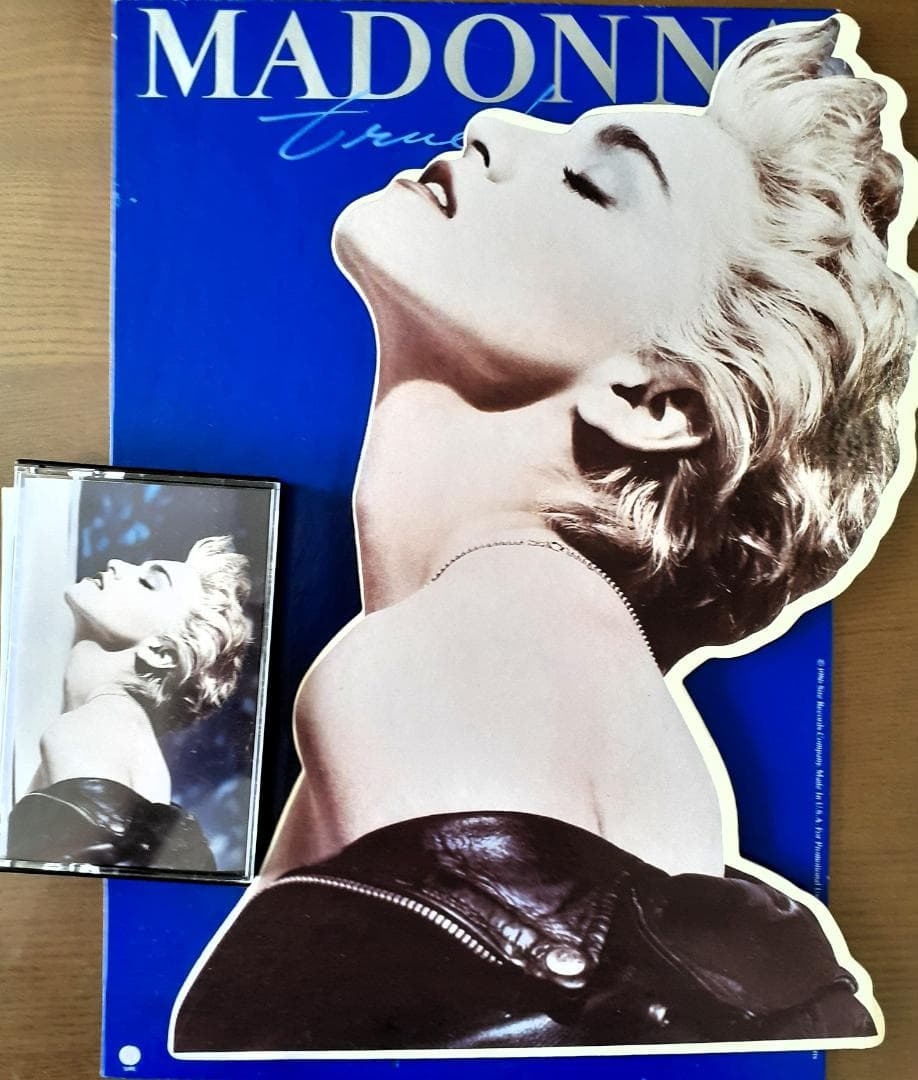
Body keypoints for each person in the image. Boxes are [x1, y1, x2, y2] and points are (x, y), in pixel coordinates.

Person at [173, 17, 913, 1051]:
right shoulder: (539, 652)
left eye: (594, 185)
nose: (492, 125)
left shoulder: (459, 651)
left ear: (654, 399)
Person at [6, 536, 251, 872]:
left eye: (149, 583)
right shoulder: (119, 729)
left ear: (160, 653)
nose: (117, 564)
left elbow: (82, 888)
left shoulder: (93, 728)